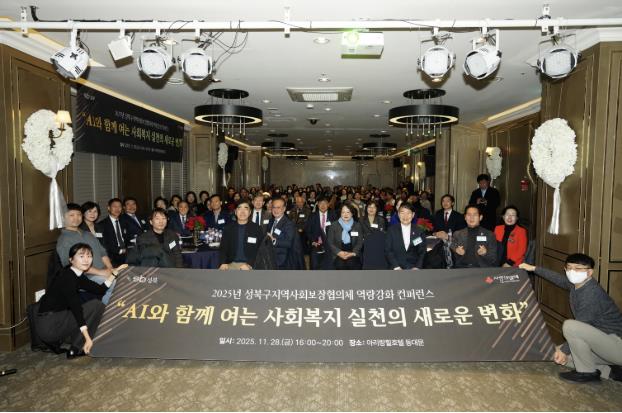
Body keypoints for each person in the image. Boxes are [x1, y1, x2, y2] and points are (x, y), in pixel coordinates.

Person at [519, 254, 622, 383]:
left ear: (589, 272)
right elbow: (558, 279)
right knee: (556, 355)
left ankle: (587, 373)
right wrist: (533, 268)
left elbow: (582, 323)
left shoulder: (591, 294)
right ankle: (612, 372)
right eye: (569, 268)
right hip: (599, 343)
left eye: (578, 268)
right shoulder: (577, 284)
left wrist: (563, 350)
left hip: (616, 345)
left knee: (570, 327)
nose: (573, 271)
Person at [36, 243, 116, 358]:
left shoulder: (76, 274)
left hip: (55, 320)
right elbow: (76, 307)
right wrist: (87, 338)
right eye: (81, 256)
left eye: (89, 256)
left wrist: (113, 275)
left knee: (93, 305)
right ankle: (77, 348)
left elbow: (99, 290)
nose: (86, 260)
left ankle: (77, 341)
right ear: (71, 260)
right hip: (51, 326)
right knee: (96, 305)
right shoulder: (67, 277)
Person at [56, 203, 116, 304]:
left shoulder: (88, 234)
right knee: (114, 285)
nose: (76, 218)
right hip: (85, 278)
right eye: (71, 215)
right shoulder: (64, 240)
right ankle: (110, 312)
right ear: (63, 217)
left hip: (103, 271)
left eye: (79, 215)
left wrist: (110, 268)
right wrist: (102, 273)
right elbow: (72, 266)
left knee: (127, 280)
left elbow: (102, 252)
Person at [219, 201, 264, 270]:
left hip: (250, 265)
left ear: (250, 212)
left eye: (246, 208)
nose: (242, 212)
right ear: (235, 212)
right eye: (239, 208)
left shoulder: (257, 228)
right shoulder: (228, 228)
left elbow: (260, 249)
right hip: (231, 264)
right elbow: (223, 248)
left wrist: (250, 264)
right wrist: (223, 262)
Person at [384, 203, 427, 270]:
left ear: (413, 215)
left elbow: (422, 251)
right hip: (395, 268)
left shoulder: (419, 231)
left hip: (414, 268)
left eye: (408, 213)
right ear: (398, 214)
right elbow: (388, 250)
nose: (405, 216)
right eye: (402, 213)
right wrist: (396, 267)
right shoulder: (391, 230)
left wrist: (417, 267)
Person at [326, 203, 363, 270]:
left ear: (352, 213)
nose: (345, 214)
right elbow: (330, 242)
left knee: (353, 264)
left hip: (353, 253)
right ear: (340, 213)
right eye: (343, 212)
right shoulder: (334, 225)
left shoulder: (357, 225)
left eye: (348, 212)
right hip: (338, 253)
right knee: (340, 265)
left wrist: (353, 253)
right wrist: (339, 252)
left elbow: (360, 242)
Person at [305, 197, 337, 270]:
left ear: (328, 205)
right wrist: (313, 241)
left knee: (330, 263)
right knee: (314, 261)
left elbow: (337, 231)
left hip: (330, 242)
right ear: (318, 205)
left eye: (325, 203)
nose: (323, 206)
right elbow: (308, 230)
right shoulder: (312, 216)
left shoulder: (333, 215)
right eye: (320, 204)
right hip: (316, 242)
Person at [96, 198, 128, 267]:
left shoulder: (124, 221)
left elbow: (127, 238)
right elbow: (103, 244)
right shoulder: (101, 225)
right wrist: (119, 251)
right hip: (112, 256)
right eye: (114, 206)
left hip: (126, 253)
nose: (117, 209)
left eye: (119, 206)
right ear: (109, 208)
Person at [267, 198, 297, 270]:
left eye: (278, 207)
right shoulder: (271, 221)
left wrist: (274, 241)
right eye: (274, 207)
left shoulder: (288, 224)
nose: (275, 210)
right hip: (270, 258)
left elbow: (289, 243)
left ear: (284, 209)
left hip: (282, 261)